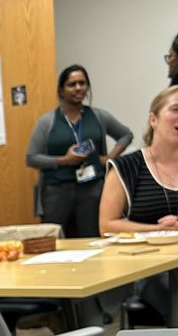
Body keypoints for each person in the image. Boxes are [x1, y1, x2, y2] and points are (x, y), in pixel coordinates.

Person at [99, 85, 178, 321]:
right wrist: (159, 230)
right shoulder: (126, 167)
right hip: (151, 270)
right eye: (175, 109)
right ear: (153, 119)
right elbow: (107, 225)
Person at [26, 64, 132, 237]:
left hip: (92, 188)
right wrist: (64, 160)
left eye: (82, 83)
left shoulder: (98, 116)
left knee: (92, 239)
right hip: (56, 190)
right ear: (61, 90)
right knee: (53, 240)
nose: (78, 88)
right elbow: (31, 158)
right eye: (72, 84)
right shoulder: (47, 121)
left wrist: (110, 157)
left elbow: (126, 135)